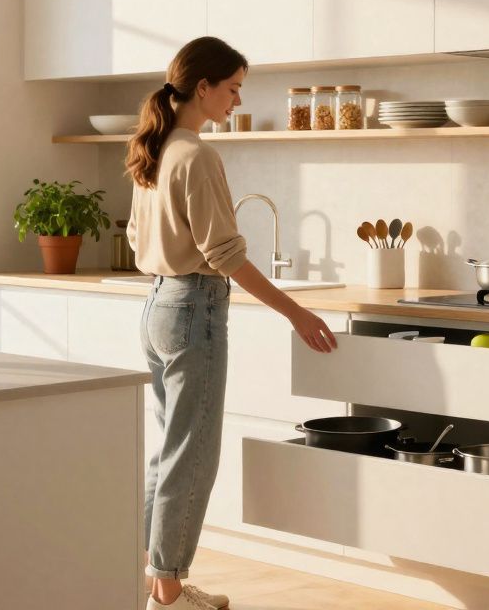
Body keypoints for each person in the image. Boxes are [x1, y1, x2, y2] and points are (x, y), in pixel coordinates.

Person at [126, 36, 338, 610]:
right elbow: (225, 255)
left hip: (158, 307)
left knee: (168, 452)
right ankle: (168, 594)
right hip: (194, 310)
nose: (237, 102)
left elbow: (135, 238)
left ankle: (153, 580)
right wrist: (296, 312)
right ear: (203, 87)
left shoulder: (158, 149)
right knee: (193, 454)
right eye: (233, 89)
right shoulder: (196, 155)